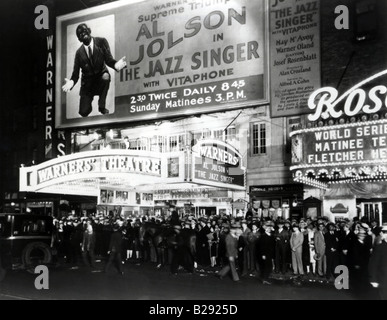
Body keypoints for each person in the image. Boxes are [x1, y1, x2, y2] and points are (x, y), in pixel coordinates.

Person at [62, 23, 127, 117]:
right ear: (79, 39)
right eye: (80, 34)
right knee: (83, 112)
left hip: (101, 77)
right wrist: (71, 82)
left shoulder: (101, 42)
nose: (83, 34)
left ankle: (101, 106)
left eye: (84, 31)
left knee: (106, 77)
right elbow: (75, 74)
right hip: (87, 85)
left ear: (89, 30)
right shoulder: (78, 53)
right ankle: (88, 105)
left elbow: (108, 60)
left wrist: (116, 65)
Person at [369, 223, 387, 300]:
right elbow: (373, 264)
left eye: (384, 232)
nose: (381, 233)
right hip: (383, 279)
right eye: (383, 232)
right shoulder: (380, 247)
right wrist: (373, 279)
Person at [258, 221, 276, 285]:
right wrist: (263, 254)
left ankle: (265, 278)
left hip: (270, 253)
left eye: (270, 228)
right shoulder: (263, 236)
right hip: (265, 254)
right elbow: (261, 246)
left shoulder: (271, 235)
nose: (269, 229)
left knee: (268, 266)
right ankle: (265, 279)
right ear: (265, 229)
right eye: (268, 228)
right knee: (266, 266)